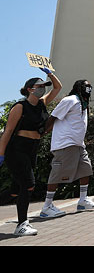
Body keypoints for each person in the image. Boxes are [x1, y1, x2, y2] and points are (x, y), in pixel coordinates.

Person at [0, 70, 62, 236]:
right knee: (28, 185)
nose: (43, 88)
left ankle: (22, 223)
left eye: (43, 86)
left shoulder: (42, 104)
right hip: (17, 149)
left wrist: (51, 73)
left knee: (15, 190)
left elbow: (57, 87)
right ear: (29, 89)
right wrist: (1, 154)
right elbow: (8, 131)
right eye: (39, 86)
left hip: (32, 149)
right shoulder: (20, 107)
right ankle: (22, 225)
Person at [40, 79, 94, 219]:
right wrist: (43, 132)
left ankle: (83, 201)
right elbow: (53, 117)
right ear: (79, 87)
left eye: (90, 86)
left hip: (78, 144)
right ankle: (47, 206)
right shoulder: (70, 100)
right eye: (86, 85)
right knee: (57, 173)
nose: (89, 88)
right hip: (65, 144)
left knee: (86, 169)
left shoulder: (83, 103)